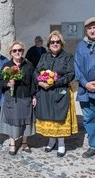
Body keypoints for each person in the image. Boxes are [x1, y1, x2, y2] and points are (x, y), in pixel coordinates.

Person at [34, 30, 78, 157]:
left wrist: (55, 82)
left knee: (60, 117)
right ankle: (51, 140)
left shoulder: (67, 57)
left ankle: (61, 143)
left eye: (57, 42)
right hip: (46, 91)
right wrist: (40, 82)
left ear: (61, 44)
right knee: (49, 117)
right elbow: (37, 71)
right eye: (52, 42)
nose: (55, 44)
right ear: (48, 44)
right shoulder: (44, 56)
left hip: (61, 91)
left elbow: (71, 74)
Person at [0, 41, 36, 155]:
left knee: (26, 121)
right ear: (11, 52)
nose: (17, 52)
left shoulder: (28, 65)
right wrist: (9, 84)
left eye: (19, 50)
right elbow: (0, 82)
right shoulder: (7, 66)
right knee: (12, 121)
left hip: (25, 97)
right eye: (14, 50)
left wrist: (34, 96)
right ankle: (12, 143)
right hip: (12, 98)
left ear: (23, 51)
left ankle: (24, 143)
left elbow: (33, 82)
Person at [74, 17, 95, 158]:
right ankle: (93, 146)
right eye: (90, 28)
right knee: (88, 118)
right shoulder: (80, 46)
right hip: (85, 90)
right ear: (86, 30)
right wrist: (86, 83)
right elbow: (77, 68)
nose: (93, 30)